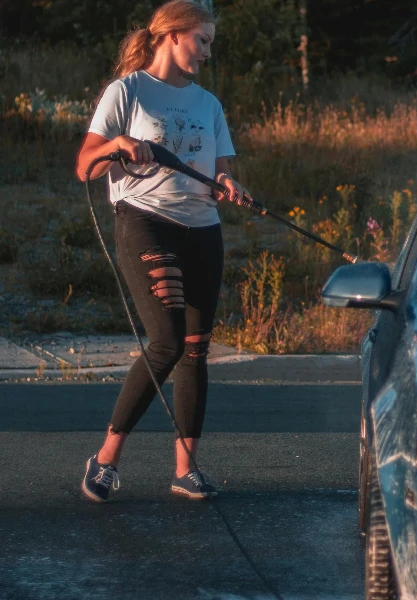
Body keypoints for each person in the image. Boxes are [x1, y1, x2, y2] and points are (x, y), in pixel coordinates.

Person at [75, 0, 249, 502]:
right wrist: (119, 145)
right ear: (172, 36)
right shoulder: (126, 91)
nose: (207, 52)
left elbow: (222, 171)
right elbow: (85, 164)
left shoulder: (208, 104)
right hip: (146, 222)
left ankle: (185, 469)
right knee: (167, 340)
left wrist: (228, 185)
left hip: (203, 229)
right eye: (202, 40)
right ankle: (106, 459)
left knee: (196, 349)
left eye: (211, 42)